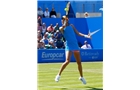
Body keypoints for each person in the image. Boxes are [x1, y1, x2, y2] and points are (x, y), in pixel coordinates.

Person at [54, 15, 91, 84]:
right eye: (62, 20)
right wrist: (65, 23)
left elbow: (78, 33)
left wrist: (86, 36)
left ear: (67, 20)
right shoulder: (61, 28)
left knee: (79, 63)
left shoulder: (72, 26)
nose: (63, 21)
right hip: (68, 46)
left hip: (75, 45)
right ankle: (58, 75)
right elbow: (62, 28)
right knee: (67, 61)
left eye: (64, 19)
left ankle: (81, 77)